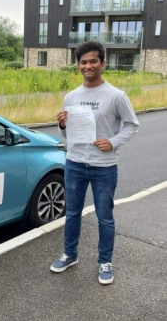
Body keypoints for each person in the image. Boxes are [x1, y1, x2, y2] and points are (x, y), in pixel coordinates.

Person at [50, 40, 140, 284]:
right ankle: (70, 254)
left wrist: (112, 142)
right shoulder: (71, 96)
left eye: (93, 61)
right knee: (72, 213)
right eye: (83, 62)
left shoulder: (116, 96)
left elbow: (132, 124)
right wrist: (62, 124)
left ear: (103, 63)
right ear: (78, 65)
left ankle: (105, 262)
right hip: (75, 163)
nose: (87, 66)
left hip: (104, 166)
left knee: (105, 216)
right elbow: (68, 136)